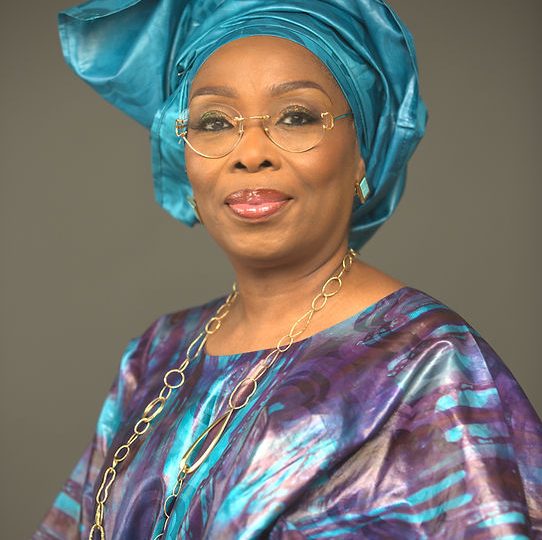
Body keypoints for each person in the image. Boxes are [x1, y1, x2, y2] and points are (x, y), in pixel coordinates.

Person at [35, 0, 542, 538]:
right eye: (214, 122)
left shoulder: (427, 363)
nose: (250, 153)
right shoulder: (158, 353)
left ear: (361, 153)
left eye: (296, 117)